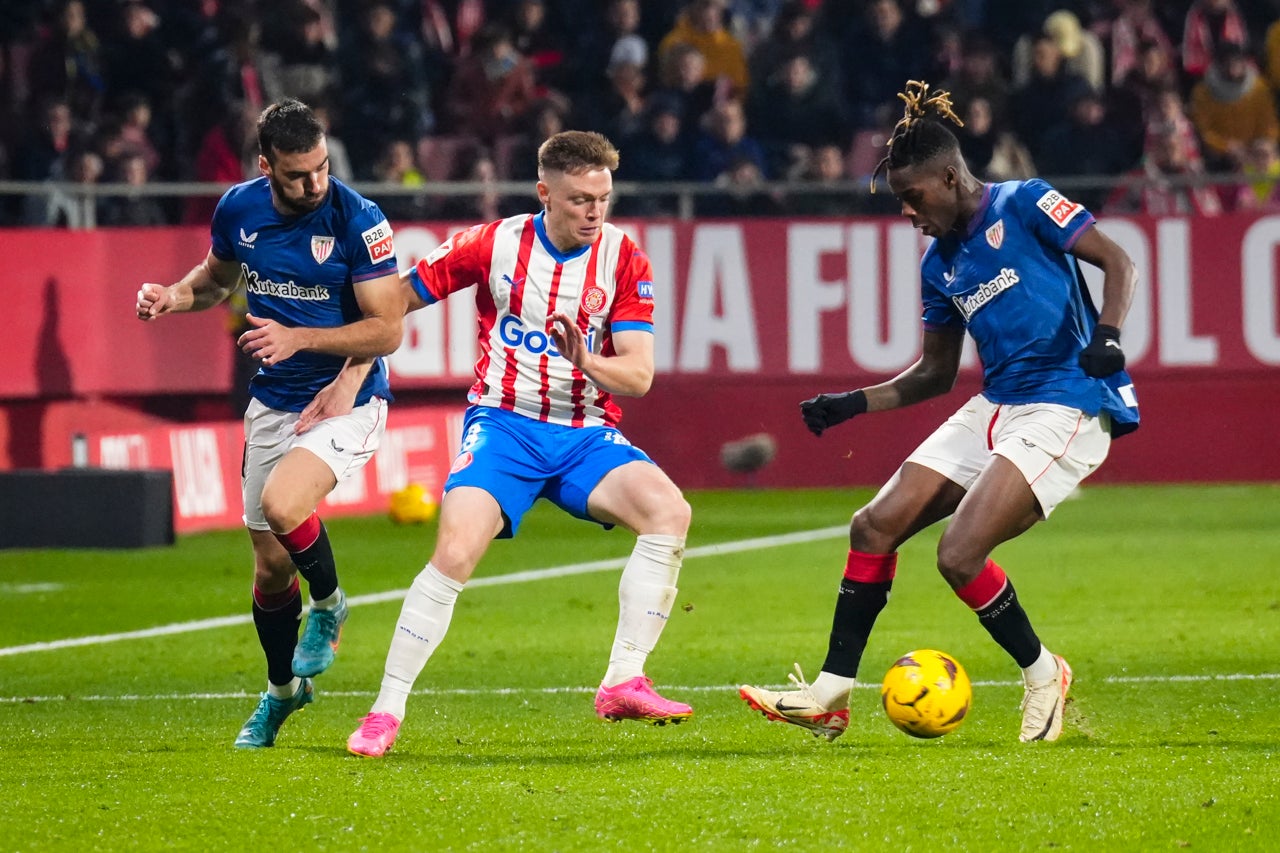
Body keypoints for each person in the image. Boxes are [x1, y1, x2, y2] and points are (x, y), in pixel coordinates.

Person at [739, 81, 1140, 744]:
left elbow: (1118, 261)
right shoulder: (938, 264)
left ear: (950, 177)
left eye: (913, 196)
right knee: (873, 525)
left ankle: (1044, 673)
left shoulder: (1027, 201)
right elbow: (935, 373)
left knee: (959, 554)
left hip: (1066, 401)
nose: (907, 211)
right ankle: (830, 694)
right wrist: (852, 403)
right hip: (998, 403)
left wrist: (1110, 335)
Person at [346, 130, 693, 758]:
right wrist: (348, 357)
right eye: (580, 199)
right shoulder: (493, 243)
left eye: (603, 198)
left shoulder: (624, 259)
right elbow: (395, 299)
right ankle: (384, 711)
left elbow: (639, 375)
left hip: (586, 434)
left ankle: (622, 680)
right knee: (454, 551)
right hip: (504, 426)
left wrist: (586, 359)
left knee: (669, 512)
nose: (594, 212)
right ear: (545, 194)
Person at [134, 98, 404, 749]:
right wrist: (174, 296)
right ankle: (283, 692)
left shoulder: (359, 218)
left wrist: (304, 341)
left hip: (347, 398)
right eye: (297, 175)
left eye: (321, 168)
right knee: (270, 567)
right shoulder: (238, 208)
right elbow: (216, 281)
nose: (314, 184)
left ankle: (330, 604)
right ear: (266, 167)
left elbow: (387, 329)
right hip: (274, 401)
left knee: (285, 505)